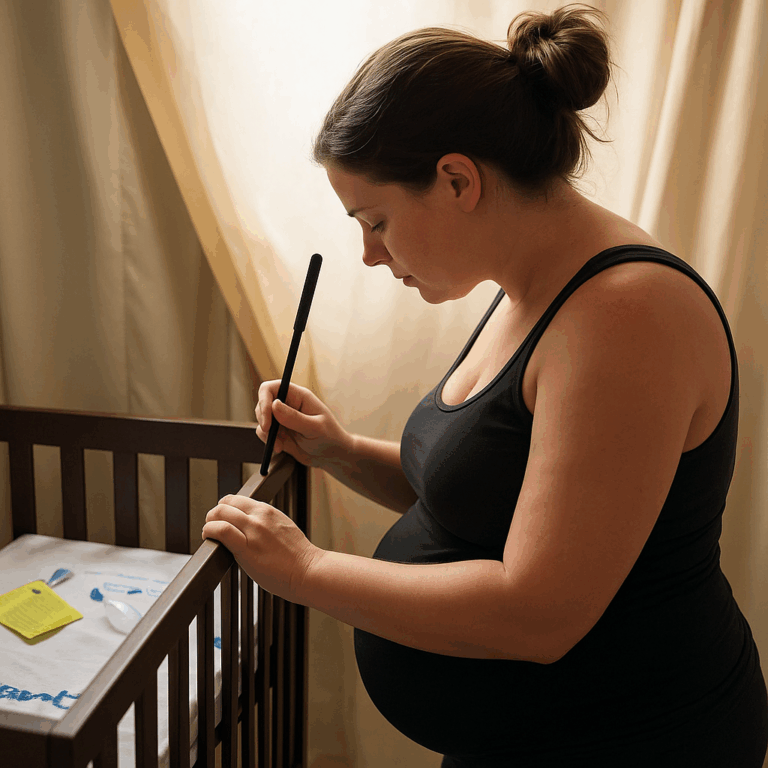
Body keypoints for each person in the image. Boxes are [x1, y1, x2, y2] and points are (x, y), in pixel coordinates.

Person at [203, 4, 768, 766]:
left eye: (375, 221)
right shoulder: (535, 283)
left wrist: (307, 571)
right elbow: (492, 496)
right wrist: (338, 450)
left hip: (633, 736)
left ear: (457, 179)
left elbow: (539, 615)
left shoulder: (626, 315)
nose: (369, 254)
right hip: (530, 730)